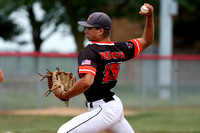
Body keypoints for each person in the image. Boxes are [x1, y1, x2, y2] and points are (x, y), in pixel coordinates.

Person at [57, 3, 154, 133]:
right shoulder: (119, 48)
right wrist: (150, 17)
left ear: (100, 31)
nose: (85, 31)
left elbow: (87, 82)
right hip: (112, 106)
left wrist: (66, 95)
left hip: (105, 110)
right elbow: (147, 40)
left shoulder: (89, 52)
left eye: (89, 28)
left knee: (64, 131)